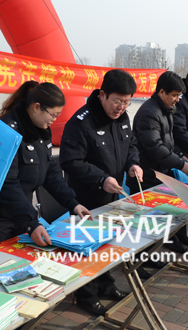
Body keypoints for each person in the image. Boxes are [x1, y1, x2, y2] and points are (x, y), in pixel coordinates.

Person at [0, 81, 92, 250]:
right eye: (53, 115)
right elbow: (7, 184)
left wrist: (73, 203)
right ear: (36, 107)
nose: (54, 120)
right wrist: (32, 223)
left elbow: (49, 171)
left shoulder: (40, 130)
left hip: (21, 215)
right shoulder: (8, 133)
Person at [60, 69, 143, 316]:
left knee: (108, 243)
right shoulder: (81, 122)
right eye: (117, 101)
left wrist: (133, 164)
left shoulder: (123, 118)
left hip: (112, 194)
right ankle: (85, 294)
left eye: (126, 102)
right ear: (102, 95)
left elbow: (131, 145)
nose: (121, 107)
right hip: (86, 197)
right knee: (88, 247)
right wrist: (100, 179)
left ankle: (106, 285)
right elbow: (70, 160)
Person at [128, 71, 188, 191]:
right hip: (146, 178)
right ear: (162, 92)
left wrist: (179, 156)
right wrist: (180, 164)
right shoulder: (150, 113)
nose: (177, 100)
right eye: (175, 95)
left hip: (159, 175)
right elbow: (155, 147)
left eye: (179, 96)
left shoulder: (166, 109)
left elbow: (168, 141)